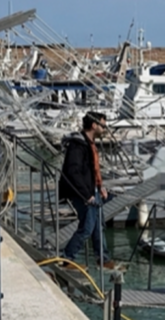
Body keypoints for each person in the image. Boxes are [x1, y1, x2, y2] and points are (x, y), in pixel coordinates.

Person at [59, 111, 116, 270]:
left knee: (99, 225)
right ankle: (68, 258)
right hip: (81, 193)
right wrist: (87, 195)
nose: (105, 129)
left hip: (92, 190)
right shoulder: (78, 145)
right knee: (87, 227)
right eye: (103, 126)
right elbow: (73, 172)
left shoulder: (90, 144)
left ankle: (103, 259)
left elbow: (93, 170)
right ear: (94, 125)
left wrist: (100, 187)